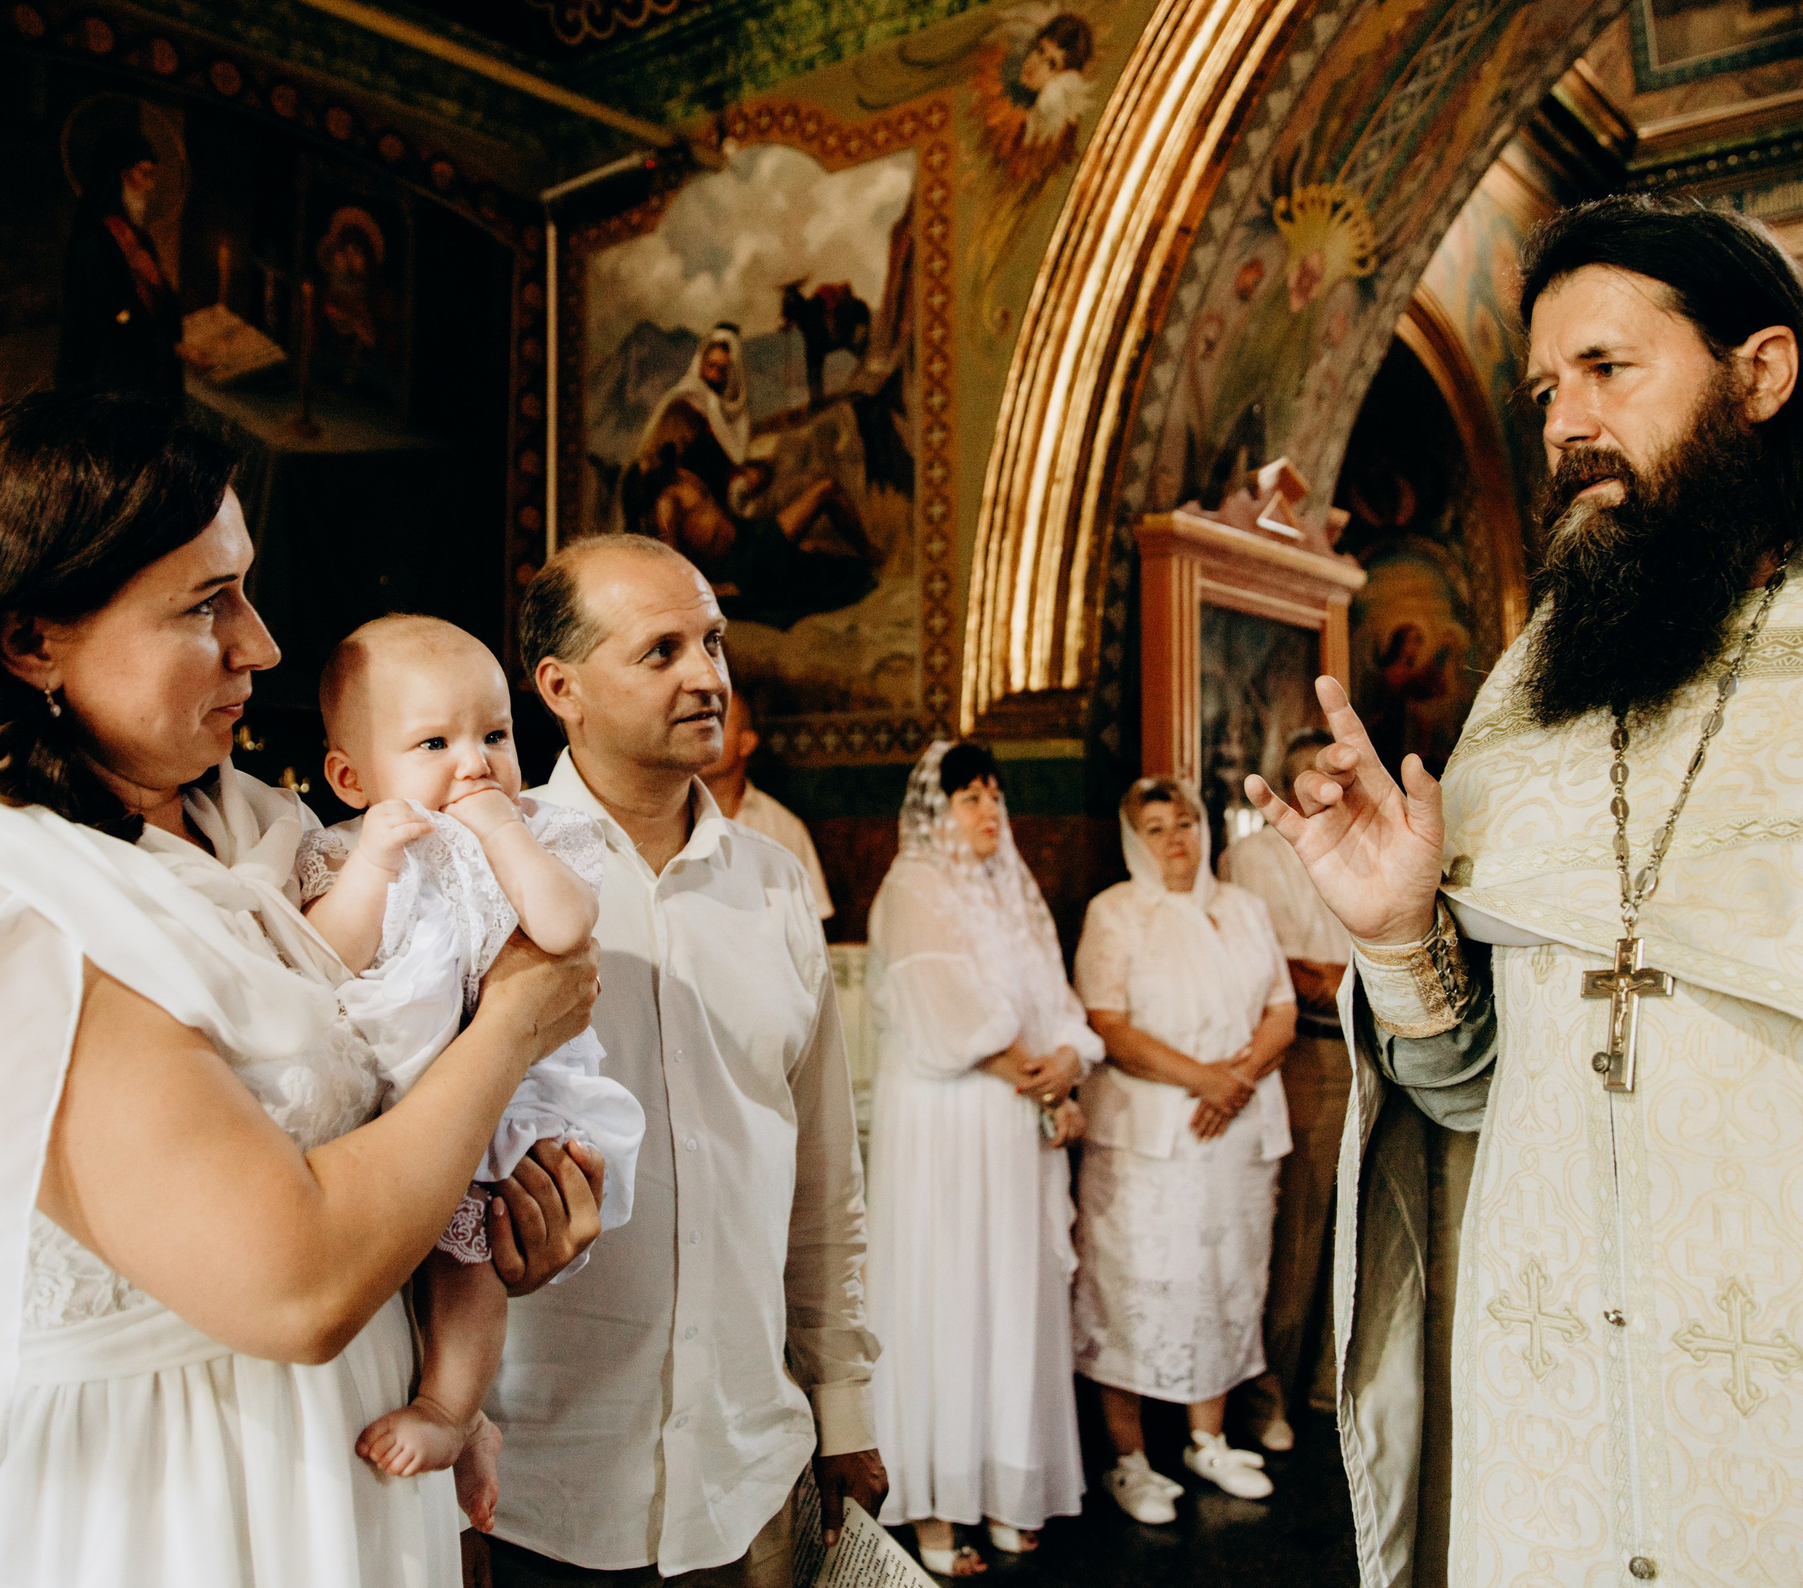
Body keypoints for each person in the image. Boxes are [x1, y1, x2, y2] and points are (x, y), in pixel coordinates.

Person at [1254, 195, 1803, 1587]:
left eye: (1609, 369)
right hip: (1591, 1412)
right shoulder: (1534, 711)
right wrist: (1400, 931)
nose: (1561, 424)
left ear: (1761, 373)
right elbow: (1489, 1100)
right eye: (1544, 389)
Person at [0, 390, 604, 1588]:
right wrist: (514, 1029)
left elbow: (391, 1134)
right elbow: (291, 1281)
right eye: (206, 604)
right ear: (35, 640)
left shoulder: (269, 828)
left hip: (355, 1452)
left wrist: (489, 1247)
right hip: (162, 1500)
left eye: (242, 587)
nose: (264, 645)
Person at [486, 534, 886, 1588]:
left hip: (749, 1459)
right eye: (660, 651)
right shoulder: (484, 877)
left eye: (711, 642)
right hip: (539, 1476)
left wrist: (838, 1401)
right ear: (560, 687)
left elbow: (820, 1175)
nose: (707, 675)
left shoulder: (772, 886)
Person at [290, 615, 645, 1527]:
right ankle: (459, 1410)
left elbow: (565, 930)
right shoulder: (343, 848)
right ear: (352, 777)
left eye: (494, 735)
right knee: (394, 1253)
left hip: (514, 1091)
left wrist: (499, 831)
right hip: (393, 1098)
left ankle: (451, 1407)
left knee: (473, 1250)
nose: (475, 763)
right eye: (435, 743)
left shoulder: (539, 831)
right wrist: (371, 862)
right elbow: (324, 958)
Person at [865, 741, 1102, 1575]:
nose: (988, 808)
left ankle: (1006, 1489)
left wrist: (1069, 1062)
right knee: (947, 1295)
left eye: (995, 792)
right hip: (946, 1129)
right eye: (969, 795)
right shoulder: (913, 886)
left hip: (1009, 1131)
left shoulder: (1010, 893)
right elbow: (944, 1014)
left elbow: (1060, 1001)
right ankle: (932, 1509)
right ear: (935, 809)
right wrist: (1038, 1080)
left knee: (1010, 1296)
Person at [1072, 777, 1297, 1523]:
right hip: (1149, 1140)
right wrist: (1207, 1079)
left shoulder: (1243, 907)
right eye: (1158, 827)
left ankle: (1208, 1438)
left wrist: (1233, 1083)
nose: (1177, 839)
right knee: (1134, 1281)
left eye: (1188, 823)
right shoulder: (1115, 911)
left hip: (1236, 1134)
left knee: (1224, 1279)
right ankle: (1129, 1458)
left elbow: (1282, 1009)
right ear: (1136, 839)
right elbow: (1109, 1024)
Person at [1219, 729, 1353, 1455]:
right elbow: (1273, 962)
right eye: (1310, 779)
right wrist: (1342, 978)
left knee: (1355, 1226)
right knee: (1296, 1232)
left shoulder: (1357, 841)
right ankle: (1266, 1395)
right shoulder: (1252, 857)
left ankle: (1330, 1383)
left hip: (1373, 1044)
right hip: (1303, 1050)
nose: (1325, 792)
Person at [623, 325, 882, 630]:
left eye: (724, 369)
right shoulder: (668, 493)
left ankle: (869, 556)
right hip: (743, 559)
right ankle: (873, 555)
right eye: (712, 366)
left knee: (818, 557)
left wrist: (745, 478)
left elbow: (722, 475)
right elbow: (671, 561)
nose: (717, 375)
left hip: (748, 541)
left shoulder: (688, 474)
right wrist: (715, 589)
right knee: (825, 496)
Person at [56, 129, 185, 397]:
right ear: (121, 175)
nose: (151, 187)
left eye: (153, 176)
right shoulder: (95, 239)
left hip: (139, 362)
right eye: (144, 174)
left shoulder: (138, 237)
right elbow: (101, 313)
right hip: (108, 371)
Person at [697, 682, 834, 921]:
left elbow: (812, 922)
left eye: (716, 723)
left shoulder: (783, 828)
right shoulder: (661, 819)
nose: (702, 735)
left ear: (746, 743)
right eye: (698, 722)